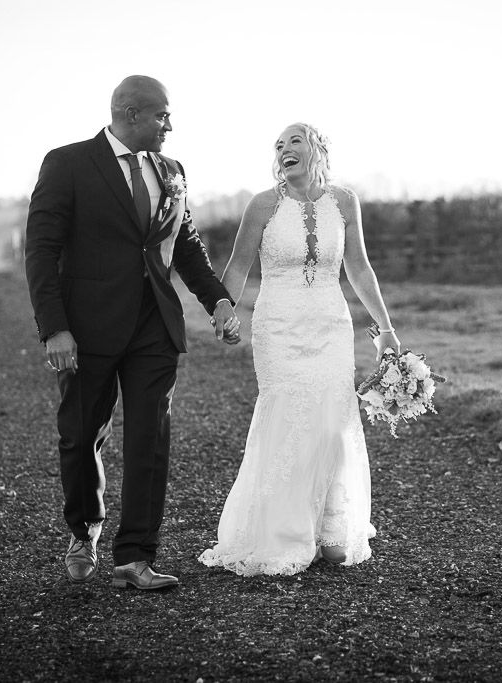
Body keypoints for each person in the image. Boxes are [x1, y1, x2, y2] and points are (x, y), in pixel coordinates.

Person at [25, 75, 240, 590]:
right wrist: (55, 328)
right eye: (163, 115)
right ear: (130, 113)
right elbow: (42, 251)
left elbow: (184, 245)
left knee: (151, 439)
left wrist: (219, 301)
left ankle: (134, 557)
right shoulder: (68, 163)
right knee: (81, 438)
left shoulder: (172, 170)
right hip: (86, 328)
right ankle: (84, 528)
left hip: (154, 327)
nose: (171, 125)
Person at [198, 122, 400, 576]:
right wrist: (224, 312)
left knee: (332, 422)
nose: (284, 148)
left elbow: (360, 269)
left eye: (294, 140)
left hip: (331, 325)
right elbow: (237, 268)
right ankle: (286, 535)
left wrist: (385, 327)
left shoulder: (345, 202)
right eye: (278, 144)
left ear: (317, 150)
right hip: (279, 327)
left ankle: (331, 529)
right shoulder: (263, 205)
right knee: (290, 418)